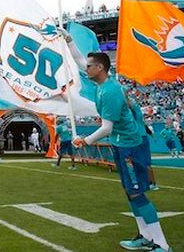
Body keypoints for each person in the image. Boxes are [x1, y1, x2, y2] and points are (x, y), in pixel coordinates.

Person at [73, 52, 171, 252]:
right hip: (121, 143)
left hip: (130, 145)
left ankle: (161, 244)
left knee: (136, 193)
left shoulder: (109, 91)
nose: (86, 68)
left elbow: (107, 127)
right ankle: (145, 236)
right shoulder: (103, 85)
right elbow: (81, 61)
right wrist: (68, 41)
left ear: (100, 68)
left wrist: (85, 141)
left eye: (90, 66)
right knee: (130, 192)